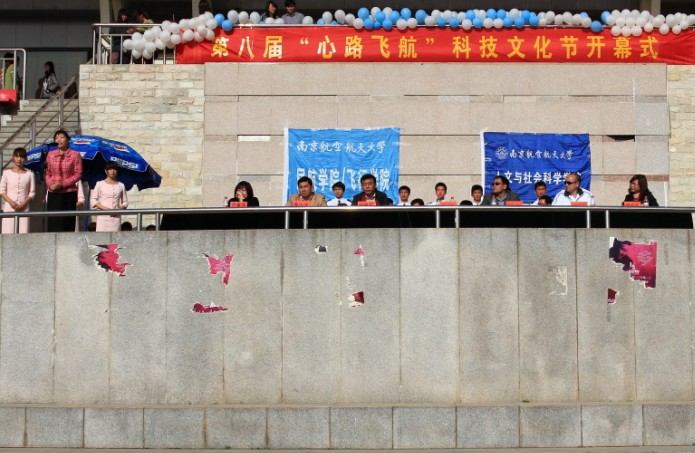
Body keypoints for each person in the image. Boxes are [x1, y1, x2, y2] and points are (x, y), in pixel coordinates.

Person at [45, 129, 83, 232]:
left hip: (69, 193)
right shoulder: (50, 154)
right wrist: (50, 184)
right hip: (54, 192)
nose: (59, 140)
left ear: (67, 140)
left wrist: (62, 184)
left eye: (61, 137)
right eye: (56, 138)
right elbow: (47, 173)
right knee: (54, 223)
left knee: (67, 223)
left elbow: (78, 174)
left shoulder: (75, 155)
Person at [0, 148, 35, 234]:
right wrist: (11, 202)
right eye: (17, 156)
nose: (19, 159)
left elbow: (32, 192)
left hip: (24, 207)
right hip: (9, 207)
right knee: (8, 232)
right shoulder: (6, 173)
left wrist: (24, 203)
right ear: (13, 158)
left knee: (23, 232)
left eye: (22, 157)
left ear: (25, 159)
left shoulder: (30, 174)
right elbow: (2, 190)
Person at [91, 162, 128, 232]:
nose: (112, 171)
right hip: (103, 217)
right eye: (110, 169)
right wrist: (106, 209)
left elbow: (125, 202)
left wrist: (119, 209)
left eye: (114, 169)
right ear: (106, 171)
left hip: (116, 217)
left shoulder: (121, 185)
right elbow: (93, 200)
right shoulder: (100, 184)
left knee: (115, 237)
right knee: (102, 237)